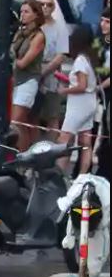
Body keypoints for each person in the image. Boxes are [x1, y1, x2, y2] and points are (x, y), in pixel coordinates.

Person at [57, 25, 99, 175]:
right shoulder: (90, 59)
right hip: (90, 102)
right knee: (85, 141)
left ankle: (59, 173)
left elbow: (81, 85)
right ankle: (82, 175)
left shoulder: (80, 60)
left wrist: (64, 90)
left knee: (65, 138)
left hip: (78, 104)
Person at [11, 0, 47, 151]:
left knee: (17, 120)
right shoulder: (20, 33)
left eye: (27, 12)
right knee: (20, 122)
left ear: (36, 15)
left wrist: (12, 58)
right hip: (15, 79)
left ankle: (22, 154)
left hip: (28, 80)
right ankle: (21, 153)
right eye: (21, 11)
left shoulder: (38, 36)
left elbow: (24, 62)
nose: (23, 15)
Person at [37, 0, 71, 137]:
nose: (45, 7)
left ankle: (51, 151)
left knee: (52, 114)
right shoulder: (32, 25)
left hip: (51, 75)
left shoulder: (60, 28)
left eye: (49, 4)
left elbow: (61, 55)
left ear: (53, 7)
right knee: (32, 114)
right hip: (32, 72)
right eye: (42, 4)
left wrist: (43, 71)